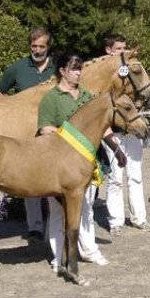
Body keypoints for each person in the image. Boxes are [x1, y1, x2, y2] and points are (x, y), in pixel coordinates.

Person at [38, 51, 109, 270]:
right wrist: (70, 137)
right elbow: (45, 129)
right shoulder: (51, 98)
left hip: (85, 163)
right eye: (75, 69)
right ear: (62, 72)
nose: (79, 73)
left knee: (86, 207)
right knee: (58, 211)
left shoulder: (87, 96)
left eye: (80, 69)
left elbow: (100, 124)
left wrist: (114, 145)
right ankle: (58, 256)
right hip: (57, 166)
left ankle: (89, 250)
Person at [0, 28, 55, 241]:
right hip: (26, 135)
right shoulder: (18, 68)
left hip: (53, 132)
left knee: (54, 179)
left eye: (42, 47)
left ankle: (53, 226)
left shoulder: (57, 68)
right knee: (32, 180)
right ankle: (35, 227)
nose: (37, 50)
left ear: (48, 47)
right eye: (34, 46)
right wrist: (7, 110)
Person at [101, 32, 150, 234]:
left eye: (124, 48)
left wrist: (140, 103)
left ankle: (139, 218)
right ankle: (115, 221)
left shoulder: (130, 71)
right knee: (115, 178)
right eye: (118, 49)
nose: (123, 52)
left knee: (136, 175)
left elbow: (141, 92)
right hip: (112, 133)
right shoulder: (103, 76)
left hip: (132, 131)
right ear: (108, 51)